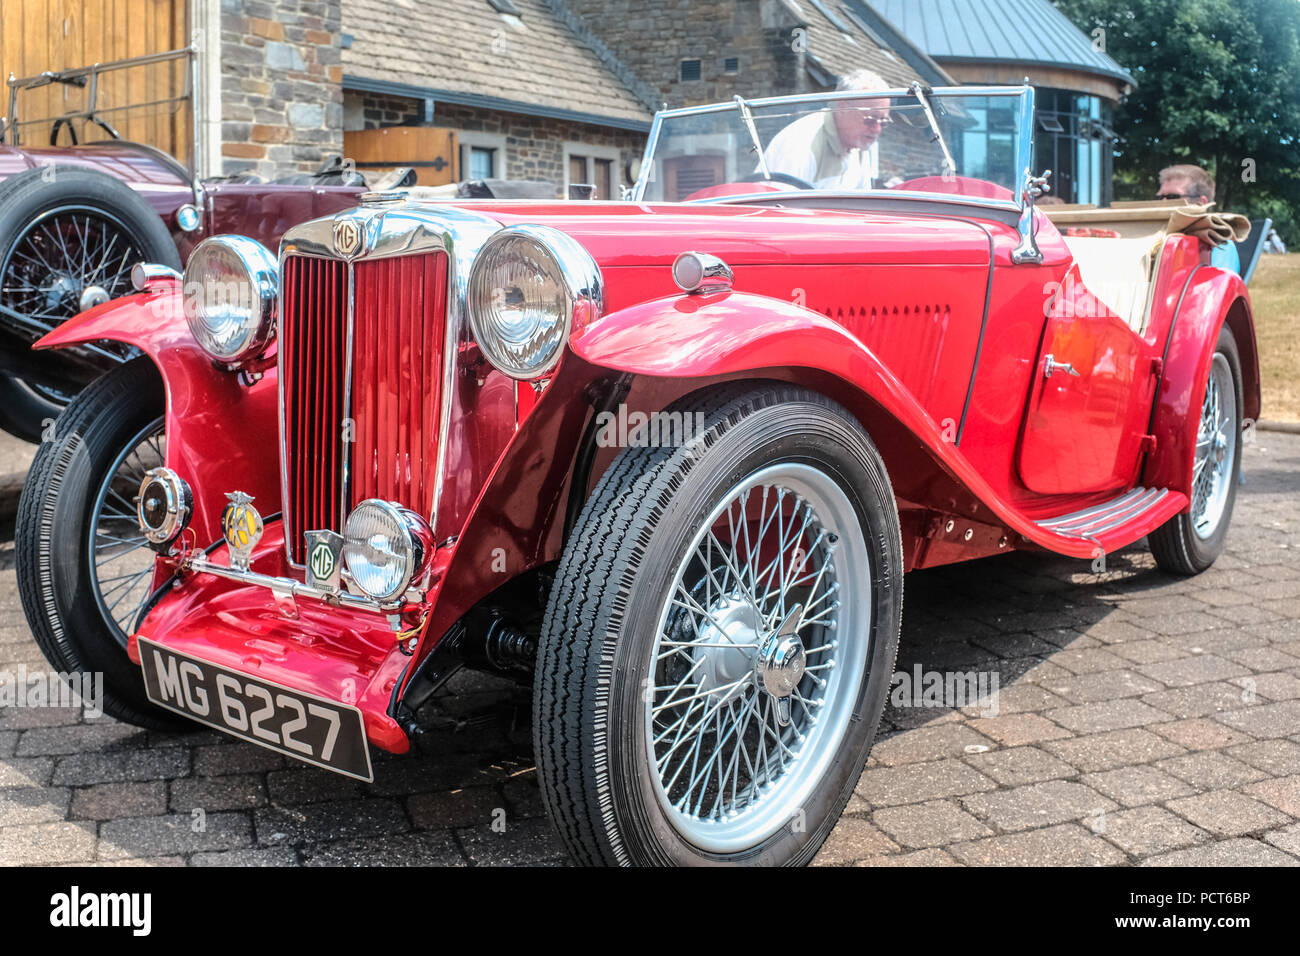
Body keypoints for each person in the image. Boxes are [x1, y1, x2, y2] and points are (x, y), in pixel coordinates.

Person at [762, 69, 891, 190]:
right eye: (870, 119)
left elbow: (862, 205)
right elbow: (782, 208)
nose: (877, 129)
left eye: (883, 121)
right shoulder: (802, 143)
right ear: (842, 106)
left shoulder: (859, 145)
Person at [1157, 164, 1240, 273]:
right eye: (1160, 197)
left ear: (1201, 203)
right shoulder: (1156, 237)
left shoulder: (1218, 242)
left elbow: (1214, 286)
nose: (1163, 203)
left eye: (1172, 197)